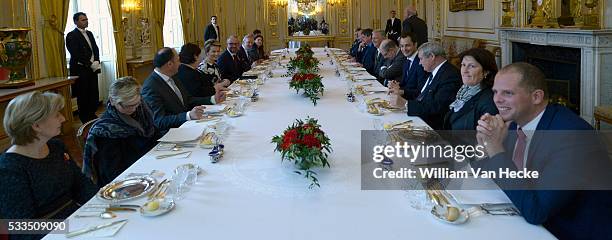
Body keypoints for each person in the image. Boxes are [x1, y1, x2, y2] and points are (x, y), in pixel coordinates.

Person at [473, 62, 612, 239]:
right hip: (524, 215)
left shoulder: (572, 136)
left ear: (536, 97)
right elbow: (487, 177)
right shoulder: (516, 122)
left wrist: (496, 149)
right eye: (495, 92)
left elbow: (536, 211)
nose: (497, 100)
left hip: (568, 229)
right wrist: (484, 146)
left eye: (507, 93)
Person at [0, 92, 97, 229]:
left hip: (76, 219)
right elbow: (21, 228)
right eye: (57, 115)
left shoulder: (56, 147)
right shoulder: (9, 168)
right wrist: (72, 227)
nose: (63, 118)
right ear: (36, 125)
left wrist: (103, 205)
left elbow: (80, 184)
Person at [83, 77, 161, 187]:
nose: (133, 109)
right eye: (128, 106)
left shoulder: (141, 111)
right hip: (126, 179)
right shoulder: (107, 131)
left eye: (136, 103)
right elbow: (112, 172)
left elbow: (155, 136)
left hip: (148, 164)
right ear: (112, 101)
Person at [141, 47, 225, 132]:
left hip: (187, 126)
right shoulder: (151, 87)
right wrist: (188, 115)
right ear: (170, 64)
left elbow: (187, 100)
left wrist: (212, 99)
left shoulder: (173, 76)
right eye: (178, 60)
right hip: (172, 133)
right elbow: (159, 121)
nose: (180, 63)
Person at [406, 42, 461, 130]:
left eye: (421, 59)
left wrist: (406, 105)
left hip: (431, 126)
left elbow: (437, 107)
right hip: (419, 116)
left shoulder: (450, 75)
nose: (419, 63)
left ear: (432, 56)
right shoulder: (433, 70)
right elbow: (422, 94)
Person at [443, 48, 498, 130]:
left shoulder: (489, 101)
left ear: (486, 72)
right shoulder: (463, 91)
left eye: (471, 66)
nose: (465, 70)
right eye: (463, 65)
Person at [66, 12, 101, 123]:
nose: (86, 21)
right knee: (83, 94)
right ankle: (85, 119)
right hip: (80, 69)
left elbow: (95, 48)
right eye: (83, 19)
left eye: (86, 19)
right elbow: (75, 53)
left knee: (93, 92)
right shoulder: (71, 35)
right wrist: (90, 64)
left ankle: (92, 114)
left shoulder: (89, 33)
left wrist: (96, 61)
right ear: (76, 22)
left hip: (92, 68)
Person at [388, 32, 426, 100]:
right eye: (402, 46)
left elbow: (421, 91)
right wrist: (395, 84)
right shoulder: (407, 60)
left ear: (415, 44)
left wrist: (402, 91)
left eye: (407, 45)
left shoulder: (422, 62)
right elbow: (405, 83)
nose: (404, 49)